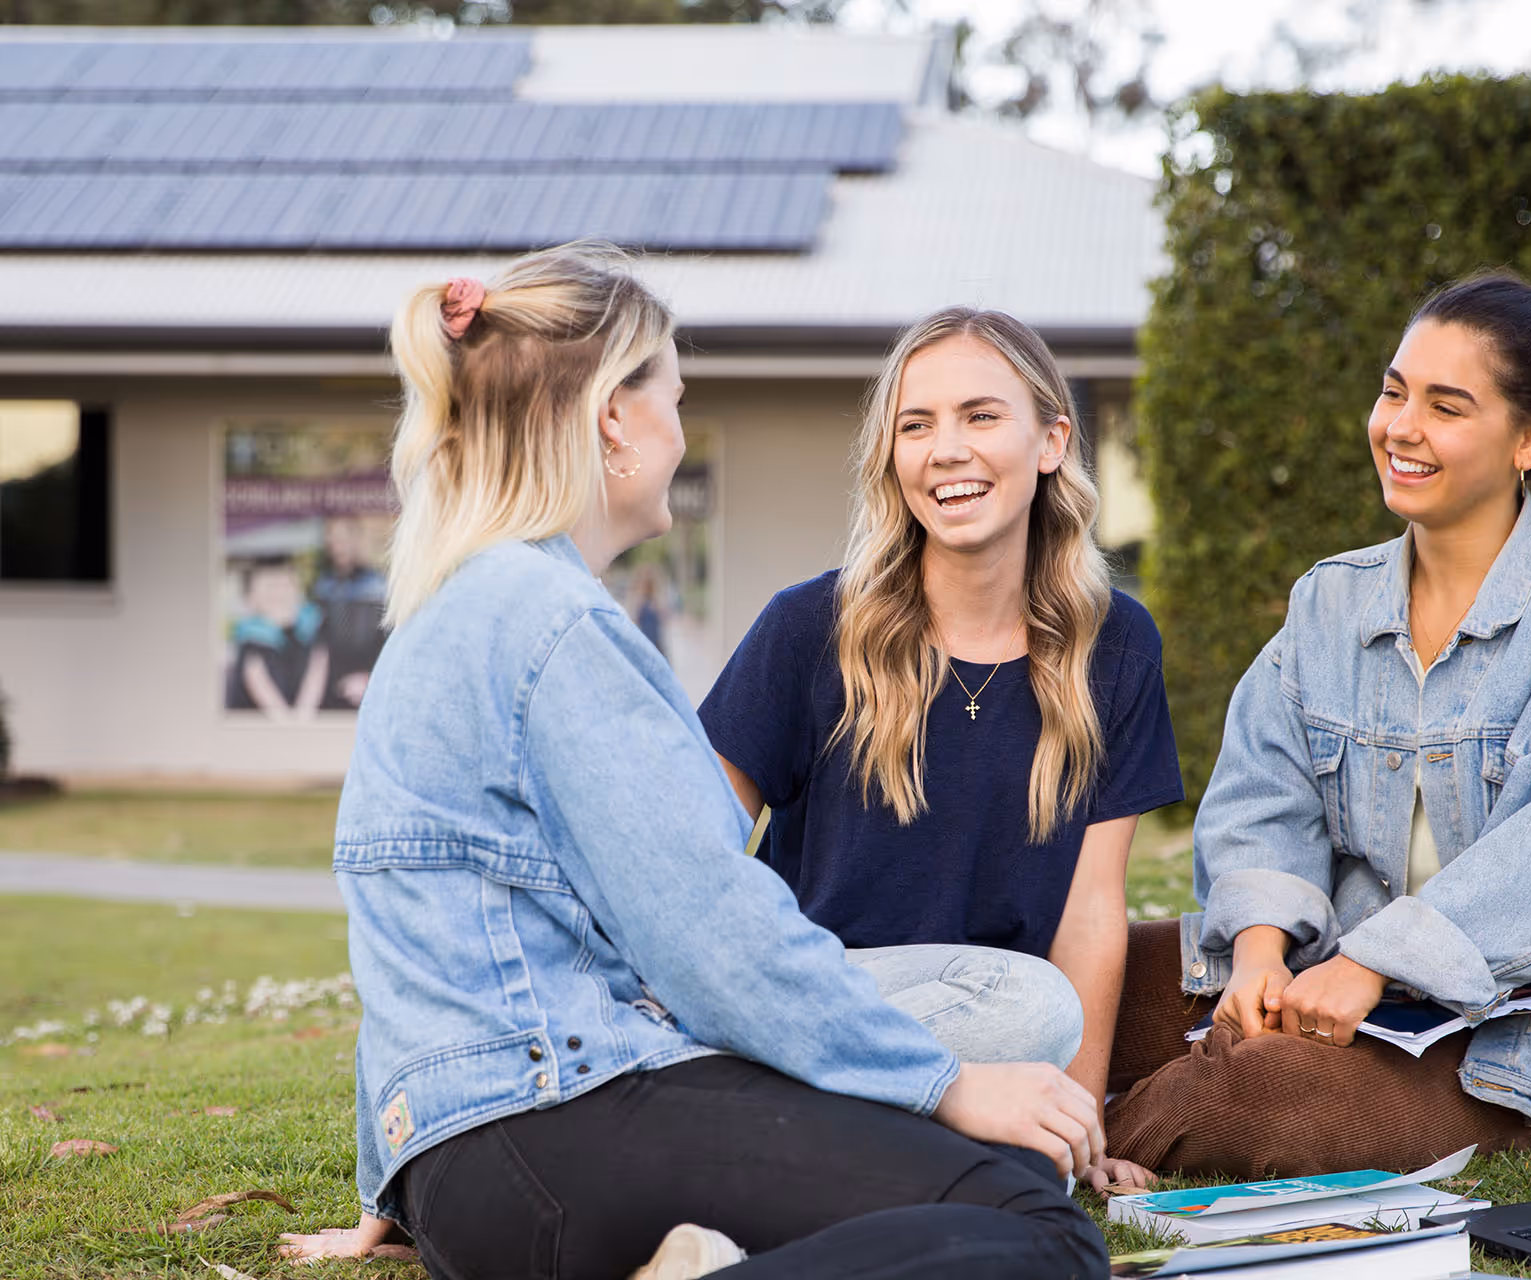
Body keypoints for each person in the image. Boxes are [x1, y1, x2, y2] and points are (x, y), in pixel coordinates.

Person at [278, 245, 1110, 1280]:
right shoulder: (555, 625)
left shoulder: (450, 609)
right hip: (564, 1128)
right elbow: (711, 929)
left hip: (475, 1170)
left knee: (966, 1144)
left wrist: (390, 1176)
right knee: (1039, 1225)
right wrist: (946, 1081)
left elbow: (406, 941)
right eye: (674, 395)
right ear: (616, 418)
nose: (679, 432)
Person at [1104, 272, 1531, 1178]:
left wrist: (1369, 966)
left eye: (1447, 406)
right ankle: (1114, 1097)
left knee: (1240, 1094)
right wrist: (1258, 953)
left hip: (1502, 1044)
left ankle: (1076, 1131)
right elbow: (1264, 792)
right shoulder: (1330, 599)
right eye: (1393, 390)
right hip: (1322, 971)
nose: (1401, 426)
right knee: (1079, 982)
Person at [697, 309, 1185, 1189]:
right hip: (805, 1002)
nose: (945, 449)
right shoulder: (811, 628)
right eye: (915, 425)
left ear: (1050, 442)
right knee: (1035, 1006)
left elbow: (1090, 912)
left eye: (980, 416)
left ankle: (836, 1131)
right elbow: (687, 859)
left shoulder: (1117, 647)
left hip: (988, 1027)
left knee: (1049, 1006)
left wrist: (1081, 1126)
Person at [225, 556, 328, 720]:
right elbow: (273, 707)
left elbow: (316, 674)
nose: (279, 592)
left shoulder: (312, 627)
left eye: (285, 584)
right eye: (270, 586)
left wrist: (302, 723)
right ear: (252, 599)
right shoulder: (251, 639)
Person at [313, 515, 389, 710]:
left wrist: (368, 677)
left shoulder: (378, 587)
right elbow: (319, 644)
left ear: (357, 540)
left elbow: (388, 641)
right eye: (333, 540)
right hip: (328, 689)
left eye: (344, 539)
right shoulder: (324, 586)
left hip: (371, 685)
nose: (338, 546)